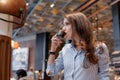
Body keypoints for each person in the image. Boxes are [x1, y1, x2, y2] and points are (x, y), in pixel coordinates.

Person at [46, 12, 110, 80]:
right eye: (63, 25)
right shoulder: (65, 49)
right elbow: (50, 71)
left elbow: (104, 76)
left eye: (67, 24)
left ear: (78, 25)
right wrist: (53, 50)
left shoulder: (99, 48)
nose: (63, 29)